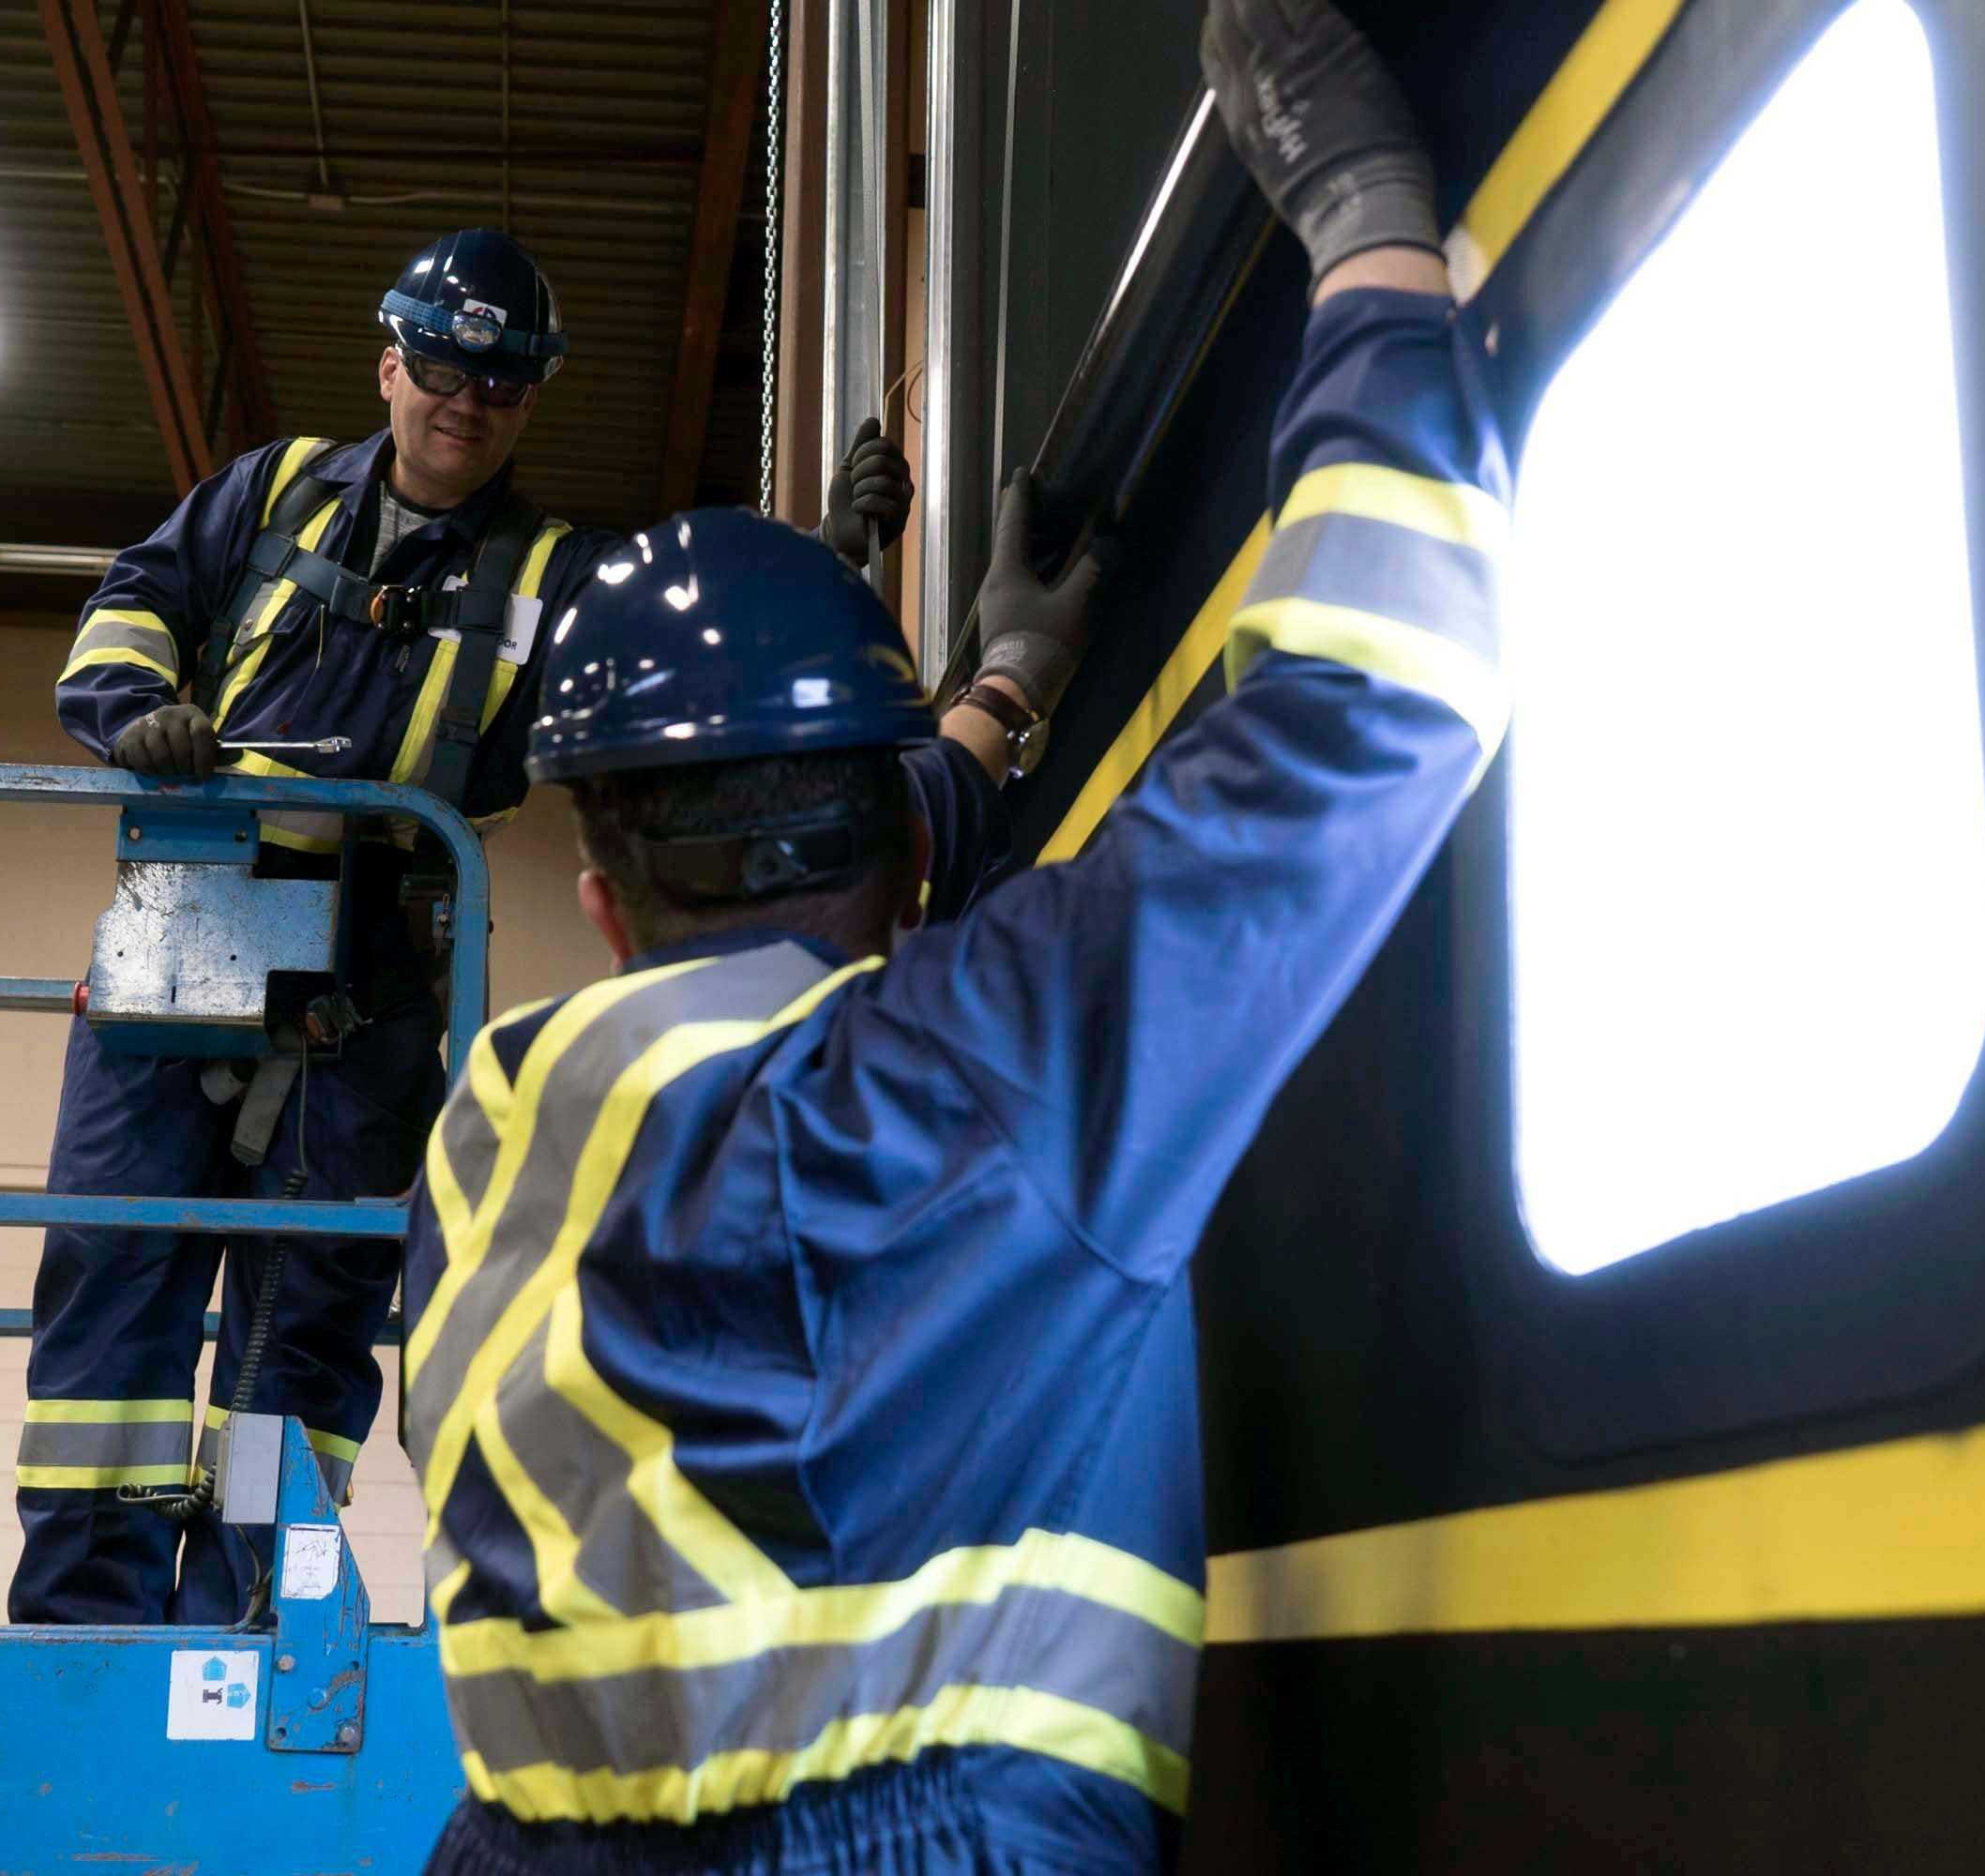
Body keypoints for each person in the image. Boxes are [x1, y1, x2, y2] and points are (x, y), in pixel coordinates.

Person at [398, 1, 1509, 1866]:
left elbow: (807, 889)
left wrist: (999, 689)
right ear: (902, 864)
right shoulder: (949, 1081)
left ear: (598, 897)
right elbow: (1377, 699)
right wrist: (1376, 225)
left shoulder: (487, 1151)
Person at [10, 226, 918, 1626]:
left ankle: (233, 1615)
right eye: (440, 365)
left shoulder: (556, 573)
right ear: (390, 365)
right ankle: (82, 1621)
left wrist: (824, 562)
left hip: (374, 958)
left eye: (498, 381)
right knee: (118, 1264)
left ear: (528, 400)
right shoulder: (274, 494)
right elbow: (134, 600)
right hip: (193, 910)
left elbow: (681, 644)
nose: (464, 399)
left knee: (307, 1313)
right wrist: (136, 713)